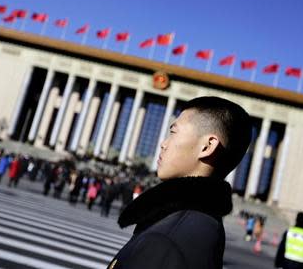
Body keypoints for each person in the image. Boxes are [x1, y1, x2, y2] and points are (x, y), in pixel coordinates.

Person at [107, 96, 252, 269]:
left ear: (207, 146)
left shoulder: (165, 242)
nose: (163, 144)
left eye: (173, 132)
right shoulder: (202, 225)